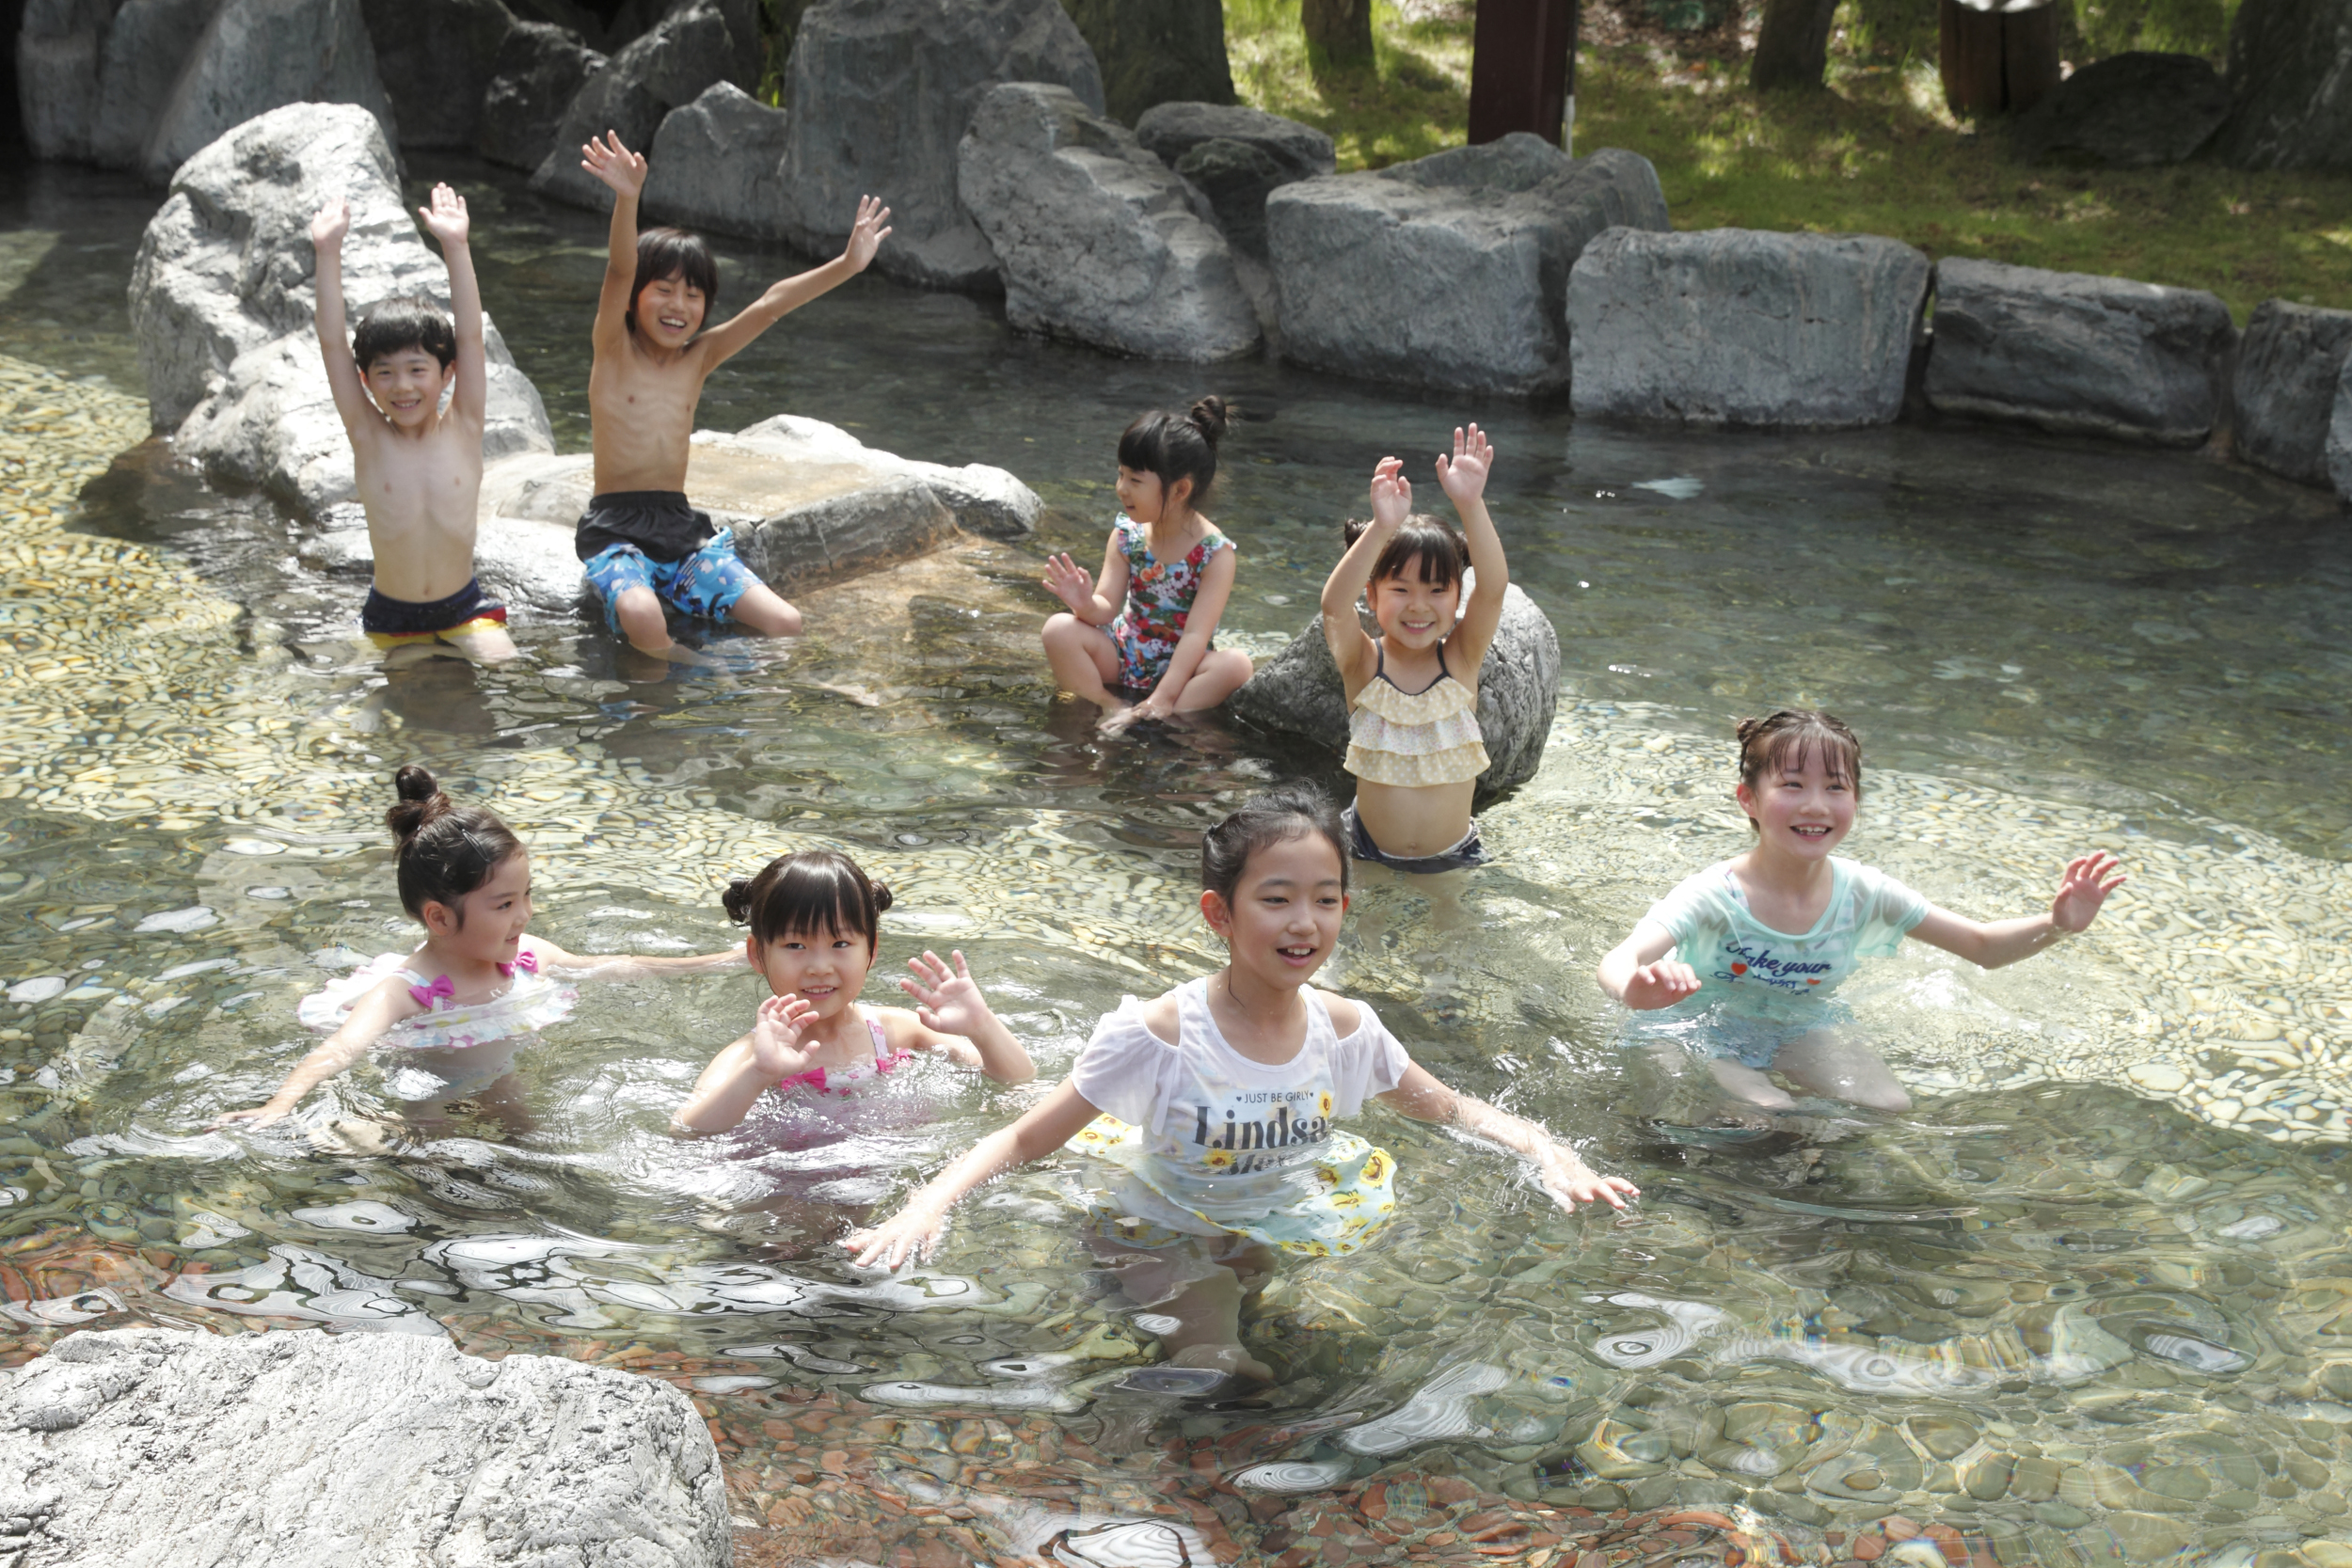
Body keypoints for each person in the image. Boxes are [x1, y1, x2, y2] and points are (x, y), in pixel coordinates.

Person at [843, 785, 1638, 1382]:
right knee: (1216, 1359)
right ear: (1219, 914)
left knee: (1278, 1343)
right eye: (1277, 898)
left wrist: (1548, 1151)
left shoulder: (1347, 1028)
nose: (1305, 922)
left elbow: (1452, 1108)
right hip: (1156, 1228)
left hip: (1272, 1225)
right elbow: (1023, 1136)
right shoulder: (1158, 1033)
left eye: (1326, 899)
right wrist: (922, 1208)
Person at [1597, 709, 2128, 1114]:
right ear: (1748, 800)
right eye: (1792, 785)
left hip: (1792, 1026)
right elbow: (1618, 959)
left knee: (1887, 1109)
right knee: (1768, 1111)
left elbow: (1982, 948)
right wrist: (1636, 989)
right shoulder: (1716, 894)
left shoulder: (1864, 893)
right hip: (1695, 1027)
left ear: (1855, 800)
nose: (1816, 805)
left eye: (1836, 787)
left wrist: (2057, 927)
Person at [218, 767, 742, 1129]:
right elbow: (340, 1049)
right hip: (428, 1094)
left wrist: (727, 960)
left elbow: (616, 966)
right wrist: (280, 1104)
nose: (525, 915)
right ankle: (362, 1134)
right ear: (440, 918)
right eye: (504, 904)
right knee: (434, 1158)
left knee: (525, 1132)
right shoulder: (405, 992)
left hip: (498, 1073)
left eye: (526, 896)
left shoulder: (525, 955)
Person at [574, 129, 892, 658]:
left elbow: (770, 306)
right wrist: (628, 197)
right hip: (616, 531)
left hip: (680, 529)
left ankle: (731, 695)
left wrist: (847, 265)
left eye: (694, 295)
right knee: (641, 615)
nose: (680, 305)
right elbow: (621, 266)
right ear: (633, 300)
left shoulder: (698, 359)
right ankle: (689, 673)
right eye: (665, 290)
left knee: (785, 622)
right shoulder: (612, 350)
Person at [672, 848, 1035, 1134]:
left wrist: (982, 1027)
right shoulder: (751, 1055)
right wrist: (759, 1073)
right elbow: (686, 1130)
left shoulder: (899, 1031)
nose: (820, 966)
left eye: (841, 943)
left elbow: (1018, 1084)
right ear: (757, 954)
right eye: (796, 945)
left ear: (871, 950)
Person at [311, 184, 515, 662]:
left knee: (506, 672)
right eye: (385, 372)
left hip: (465, 608)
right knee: (412, 709)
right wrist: (327, 252)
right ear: (366, 380)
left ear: (447, 373)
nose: (402, 386)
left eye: (417, 370)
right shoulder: (368, 435)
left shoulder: (464, 426)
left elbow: (469, 336)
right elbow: (332, 346)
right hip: (393, 618)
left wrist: (456, 246)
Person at [1317, 425, 1507, 875]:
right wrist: (1382, 526)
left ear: (1458, 595)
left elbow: (1494, 588)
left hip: (1454, 855)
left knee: (1452, 941)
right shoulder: (1363, 664)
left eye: (1437, 589)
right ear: (1374, 594)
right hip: (1366, 853)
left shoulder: (1460, 660)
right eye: (1401, 588)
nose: (1419, 606)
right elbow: (1333, 607)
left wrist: (1471, 504)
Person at [1041, 398, 1254, 733]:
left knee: (1237, 666)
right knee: (1058, 629)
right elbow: (1106, 609)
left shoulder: (1215, 554)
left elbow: (1197, 635)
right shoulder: (1127, 535)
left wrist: (1165, 695)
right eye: (1120, 474)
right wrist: (1082, 603)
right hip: (1125, 655)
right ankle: (1110, 704)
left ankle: (1161, 715)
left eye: (1135, 481)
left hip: (1183, 670)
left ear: (1181, 489)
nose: (1121, 488)